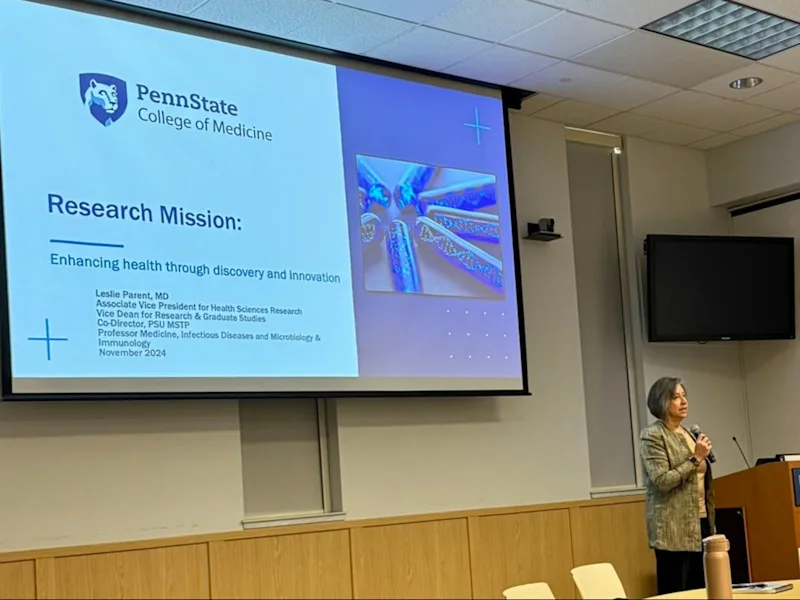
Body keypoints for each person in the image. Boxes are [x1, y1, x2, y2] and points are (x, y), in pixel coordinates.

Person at [640, 376, 716, 595]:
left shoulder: (689, 433)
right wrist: (695, 459)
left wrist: (700, 457)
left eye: (685, 396)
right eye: (676, 397)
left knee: (701, 590)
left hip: (701, 522)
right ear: (661, 402)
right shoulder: (653, 435)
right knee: (677, 592)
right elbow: (661, 481)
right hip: (674, 528)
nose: (684, 401)